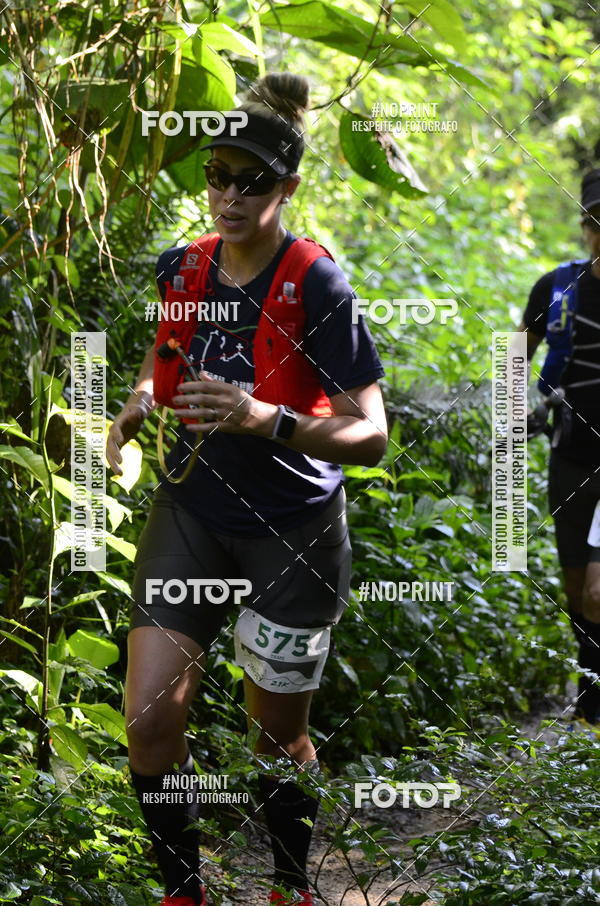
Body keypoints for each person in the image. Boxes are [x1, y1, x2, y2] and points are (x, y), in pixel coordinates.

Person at [106, 71, 387, 906]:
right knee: (150, 719)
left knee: (276, 738)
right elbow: (164, 359)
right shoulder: (186, 268)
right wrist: (134, 406)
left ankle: (290, 887)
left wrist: (266, 419)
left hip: (293, 528)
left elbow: (370, 433)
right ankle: (183, 892)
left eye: (252, 182)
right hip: (192, 509)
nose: (229, 196)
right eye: (217, 176)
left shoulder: (317, 284)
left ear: (287, 188)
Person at [519, 168, 600, 730]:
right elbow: (513, 360)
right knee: (578, 589)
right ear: (584, 225)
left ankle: (594, 700)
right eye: (595, 221)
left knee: (597, 588)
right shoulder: (556, 288)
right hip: (570, 457)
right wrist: (519, 413)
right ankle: (590, 694)